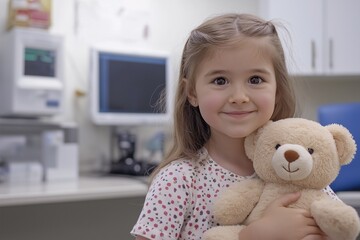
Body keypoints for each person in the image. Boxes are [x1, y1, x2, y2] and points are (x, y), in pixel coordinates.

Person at [131, 13, 337, 240]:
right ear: (192, 92)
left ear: (277, 90)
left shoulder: (299, 172)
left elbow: (339, 226)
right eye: (220, 81)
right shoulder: (179, 180)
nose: (239, 97)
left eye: (255, 79)